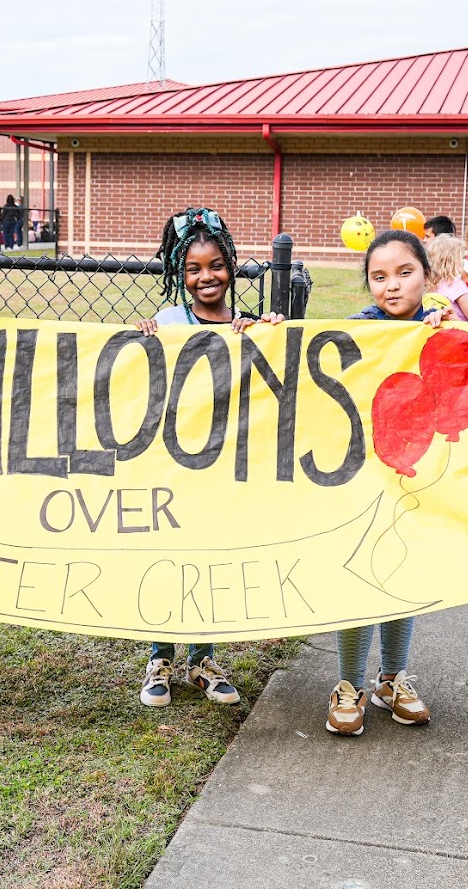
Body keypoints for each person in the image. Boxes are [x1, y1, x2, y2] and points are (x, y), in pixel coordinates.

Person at [133, 207, 283, 707]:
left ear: (232, 265)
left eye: (216, 265)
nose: (206, 277)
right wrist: (142, 339)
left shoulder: (245, 327)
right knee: (169, 557)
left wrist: (271, 333)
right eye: (194, 269)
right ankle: (160, 657)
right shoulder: (171, 322)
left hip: (222, 468)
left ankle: (202, 659)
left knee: (210, 558)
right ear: (179, 272)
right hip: (172, 464)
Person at [325, 229, 437, 737]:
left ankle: (392, 678)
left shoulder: (444, 329)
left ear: (428, 276)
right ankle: (349, 684)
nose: (391, 286)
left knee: (405, 577)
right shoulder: (354, 332)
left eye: (404, 272)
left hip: (419, 477)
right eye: (378, 277)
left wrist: (453, 335)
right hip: (361, 476)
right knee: (361, 578)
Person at [425, 233, 468, 321]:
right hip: (459, 330)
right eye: (462, 257)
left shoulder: (429, 284)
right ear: (453, 260)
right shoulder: (454, 284)